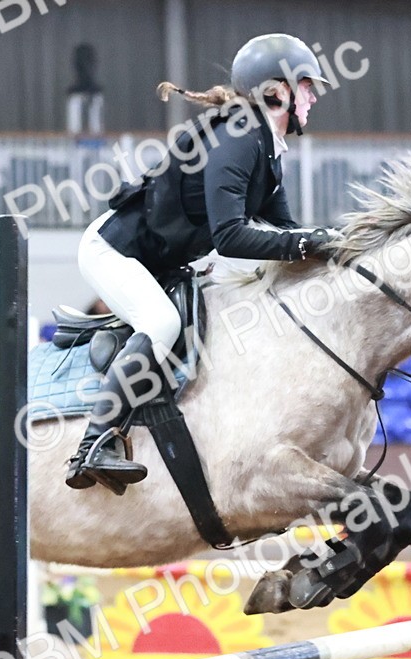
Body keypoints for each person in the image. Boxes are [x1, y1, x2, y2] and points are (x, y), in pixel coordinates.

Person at [65, 33, 340, 492]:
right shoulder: (239, 140)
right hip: (113, 252)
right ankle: (95, 444)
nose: (313, 96)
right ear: (277, 91)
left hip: (164, 261)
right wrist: (305, 244)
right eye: (306, 85)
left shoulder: (267, 149)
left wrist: (333, 248)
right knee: (161, 324)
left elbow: (285, 233)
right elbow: (230, 236)